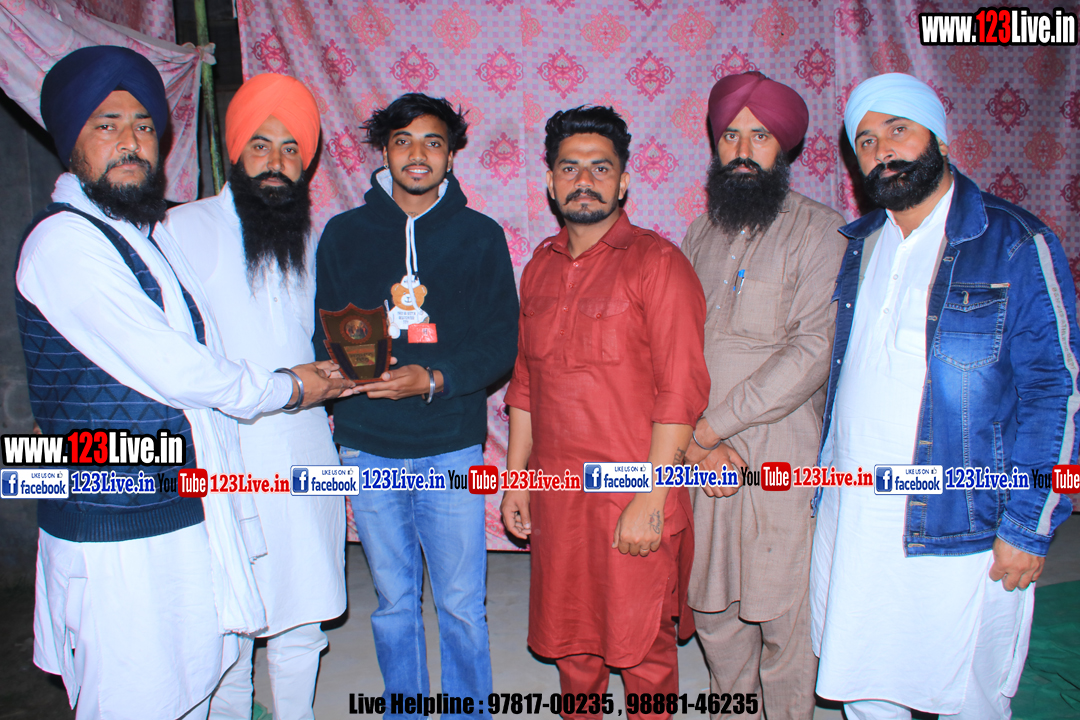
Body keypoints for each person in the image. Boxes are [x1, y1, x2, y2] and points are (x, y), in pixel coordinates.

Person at [17, 46, 353, 720]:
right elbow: (174, 366)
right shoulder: (131, 234)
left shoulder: (143, 237)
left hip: (232, 478)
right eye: (107, 125)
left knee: (245, 641)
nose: (130, 141)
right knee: (194, 665)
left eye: (143, 125)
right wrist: (288, 387)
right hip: (147, 503)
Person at [811, 72, 1078, 720]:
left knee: (969, 697)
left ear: (940, 138)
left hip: (964, 520)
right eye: (865, 141)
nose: (882, 150)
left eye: (898, 129)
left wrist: (1031, 523)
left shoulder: (1014, 242)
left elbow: (1058, 391)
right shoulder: (860, 245)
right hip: (856, 517)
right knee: (864, 683)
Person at [500, 106, 710, 720]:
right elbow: (525, 384)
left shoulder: (657, 263)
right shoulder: (539, 266)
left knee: (643, 653)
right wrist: (517, 479)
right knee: (573, 649)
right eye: (570, 168)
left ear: (624, 182)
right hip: (560, 498)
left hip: (632, 491)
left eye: (601, 168)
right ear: (550, 182)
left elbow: (681, 392)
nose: (584, 181)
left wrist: (651, 499)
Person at [314, 92, 518, 717]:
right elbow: (324, 331)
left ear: (451, 155)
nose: (418, 154)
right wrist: (343, 375)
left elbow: (500, 343)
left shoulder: (480, 236)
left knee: (461, 601)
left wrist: (431, 378)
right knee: (394, 600)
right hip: (368, 442)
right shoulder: (344, 234)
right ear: (385, 151)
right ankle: (403, 707)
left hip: (450, 443)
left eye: (433, 141)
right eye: (403, 141)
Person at [166, 73, 345, 720]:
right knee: (231, 630)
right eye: (262, 145)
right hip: (227, 455)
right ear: (235, 150)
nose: (277, 162)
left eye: (292, 148)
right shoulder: (183, 229)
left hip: (306, 450)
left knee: (303, 621)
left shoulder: (307, 236)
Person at [681, 72, 846, 720]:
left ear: (785, 146)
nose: (743, 149)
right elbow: (672, 344)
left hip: (781, 447)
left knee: (783, 615)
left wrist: (710, 428)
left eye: (759, 135)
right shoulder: (700, 232)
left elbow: (812, 350)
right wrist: (695, 437)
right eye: (730, 135)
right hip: (703, 453)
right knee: (714, 610)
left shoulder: (822, 230)